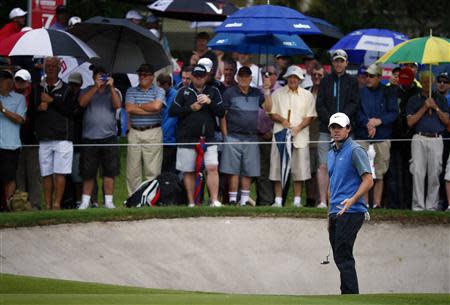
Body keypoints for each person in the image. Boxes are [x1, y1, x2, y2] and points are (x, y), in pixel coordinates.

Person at [327, 112, 373, 295]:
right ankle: (348, 293)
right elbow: (332, 184)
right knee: (339, 255)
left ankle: (350, 295)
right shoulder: (331, 153)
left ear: (348, 129)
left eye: (340, 127)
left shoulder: (355, 150)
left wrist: (353, 199)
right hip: (335, 211)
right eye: (333, 127)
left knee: (343, 254)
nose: (336, 131)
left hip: (352, 210)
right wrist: (328, 215)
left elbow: (368, 180)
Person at [169, 64, 224, 207]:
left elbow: (221, 112)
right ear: (192, 76)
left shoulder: (214, 91)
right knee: (189, 170)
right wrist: (191, 108)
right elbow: (173, 112)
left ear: (206, 77)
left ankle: (214, 200)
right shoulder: (183, 91)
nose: (199, 79)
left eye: (202, 76)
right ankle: (192, 202)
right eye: (196, 76)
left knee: (212, 167)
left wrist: (210, 102)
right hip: (187, 137)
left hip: (209, 138)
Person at [220, 66, 270, 206]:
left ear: (251, 78)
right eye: (241, 76)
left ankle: (243, 200)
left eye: (246, 76)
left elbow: (269, 108)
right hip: (233, 136)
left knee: (248, 170)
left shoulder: (257, 93)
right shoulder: (229, 93)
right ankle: (232, 200)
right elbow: (222, 116)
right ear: (237, 78)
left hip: (251, 136)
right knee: (233, 170)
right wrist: (225, 137)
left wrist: (266, 90)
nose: (244, 78)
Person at [316, 49, 359, 211]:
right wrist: (332, 123)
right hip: (325, 130)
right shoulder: (326, 81)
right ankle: (322, 201)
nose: (339, 63)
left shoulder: (352, 81)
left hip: (346, 131)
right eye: (336, 61)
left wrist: (341, 122)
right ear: (332, 63)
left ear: (346, 63)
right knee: (323, 165)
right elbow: (320, 104)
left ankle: (341, 198)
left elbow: (354, 103)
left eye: (342, 61)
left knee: (345, 166)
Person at [269, 65, 317, 207]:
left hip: (300, 136)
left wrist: (298, 128)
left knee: (299, 170)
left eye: (296, 77)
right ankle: (278, 200)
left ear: (300, 79)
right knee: (277, 169)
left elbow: (310, 116)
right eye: (290, 77)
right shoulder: (277, 93)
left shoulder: (307, 95)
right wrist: (282, 120)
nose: (293, 79)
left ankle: (297, 201)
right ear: (286, 78)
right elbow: (272, 113)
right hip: (280, 135)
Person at [33, 57, 75, 210]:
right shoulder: (37, 87)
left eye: (53, 66)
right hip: (44, 136)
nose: (50, 68)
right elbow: (31, 111)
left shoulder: (67, 89)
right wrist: (39, 108)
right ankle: (48, 204)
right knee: (46, 173)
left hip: (62, 137)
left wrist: (52, 101)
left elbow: (70, 112)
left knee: (60, 173)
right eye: (47, 66)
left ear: (59, 68)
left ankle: (57, 204)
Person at [77, 66, 122, 209]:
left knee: (110, 171)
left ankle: (108, 201)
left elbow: (117, 105)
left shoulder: (114, 91)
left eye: (104, 76)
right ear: (94, 77)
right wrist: (96, 87)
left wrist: (112, 87)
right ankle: (85, 201)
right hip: (90, 137)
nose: (102, 78)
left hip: (109, 137)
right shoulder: (87, 90)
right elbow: (82, 103)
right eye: (99, 76)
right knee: (88, 172)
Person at [355, 64, 398, 208]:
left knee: (380, 172)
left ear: (379, 77)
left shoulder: (388, 92)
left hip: (382, 136)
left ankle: (377, 204)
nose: (368, 78)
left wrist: (378, 121)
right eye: (367, 75)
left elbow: (393, 113)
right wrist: (368, 123)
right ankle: (365, 203)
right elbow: (356, 112)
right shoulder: (360, 92)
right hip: (363, 135)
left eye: (372, 76)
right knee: (363, 172)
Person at [407, 71, 449, 211]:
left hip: (437, 138)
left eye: (430, 81)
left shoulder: (441, 100)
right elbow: (410, 122)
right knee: (418, 173)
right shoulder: (414, 99)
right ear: (421, 82)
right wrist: (425, 107)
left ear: (433, 83)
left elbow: (447, 121)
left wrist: (435, 107)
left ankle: (432, 206)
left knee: (435, 174)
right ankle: (418, 206)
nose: (427, 84)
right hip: (419, 137)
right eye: (424, 81)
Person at [125, 64, 165, 195]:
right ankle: (133, 199)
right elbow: (129, 109)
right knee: (132, 171)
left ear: (152, 77)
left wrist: (139, 106)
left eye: (145, 74)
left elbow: (157, 106)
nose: (142, 77)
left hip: (153, 131)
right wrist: (150, 109)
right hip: (135, 131)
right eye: (140, 74)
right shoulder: (131, 91)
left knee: (152, 171)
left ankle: (150, 199)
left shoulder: (159, 91)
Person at [14, 69, 41, 209]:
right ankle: (20, 203)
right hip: (15, 138)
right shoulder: (12, 94)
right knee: (19, 173)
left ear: (28, 82)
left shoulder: (36, 92)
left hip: (33, 137)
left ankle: (35, 204)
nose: (19, 83)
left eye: (22, 81)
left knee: (33, 172)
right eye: (17, 80)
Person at [0, 70, 26, 205]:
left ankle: (8, 205)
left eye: (3, 81)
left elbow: (20, 119)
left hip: (11, 145)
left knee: (9, 177)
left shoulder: (19, 99)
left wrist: (3, 110)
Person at [255, 66, 279, 206]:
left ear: (276, 75)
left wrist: (271, 129)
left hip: (275, 135)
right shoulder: (256, 90)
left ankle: (277, 199)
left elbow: (272, 111)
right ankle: (264, 200)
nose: (267, 76)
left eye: (270, 73)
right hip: (259, 134)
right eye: (264, 73)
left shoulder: (281, 91)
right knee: (262, 170)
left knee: (275, 169)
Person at [307, 63, 326, 208]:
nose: (317, 77)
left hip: (322, 134)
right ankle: (309, 199)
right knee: (310, 171)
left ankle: (322, 199)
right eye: (314, 75)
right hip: (307, 136)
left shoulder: (326, 93)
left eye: (320, 75)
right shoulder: (306, 91)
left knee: (322, 168)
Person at [158, 73, 178, 173]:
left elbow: (172, 120)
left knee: (167, 170)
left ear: (166, 84)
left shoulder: (175, 95)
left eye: (160, 86)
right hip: (163, 139)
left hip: (169, 140)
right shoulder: (162, 95)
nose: (159, 89)